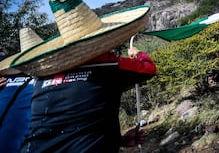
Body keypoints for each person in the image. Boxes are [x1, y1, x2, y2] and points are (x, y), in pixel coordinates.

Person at [21, 46, 156, 152]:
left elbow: (63, 128)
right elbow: (148, 69)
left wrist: (117, 141)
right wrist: (137, 53)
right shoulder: (108, 68)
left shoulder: (42, 79)